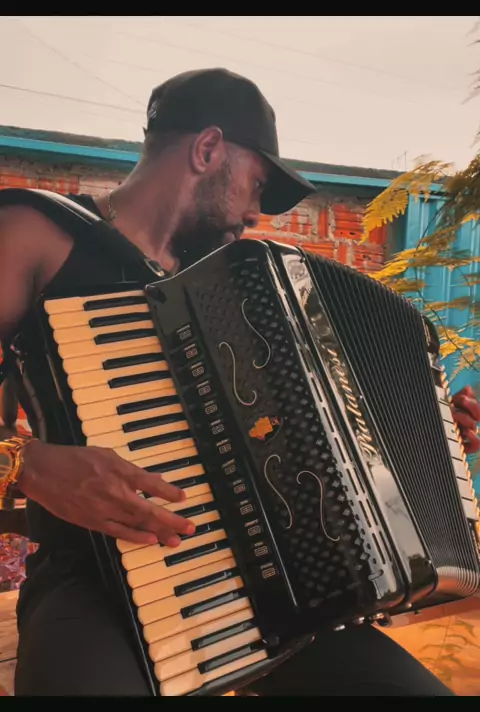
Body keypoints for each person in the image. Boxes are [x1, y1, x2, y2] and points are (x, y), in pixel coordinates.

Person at [0, 67, 478, 697]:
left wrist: (424, 435)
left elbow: (306, 440)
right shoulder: (37, 233)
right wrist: (26, 464)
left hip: (266, 591)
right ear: (207, 149)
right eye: (257, 186)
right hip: (93, 582)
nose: (255, 214)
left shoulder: (234, 289)